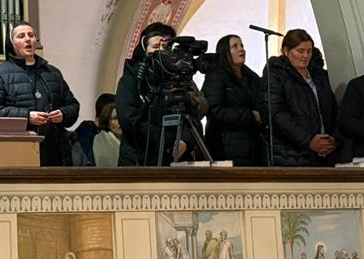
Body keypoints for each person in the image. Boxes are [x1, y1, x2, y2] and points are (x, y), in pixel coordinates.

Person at [0, 21, 80, 166]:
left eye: (31, 35)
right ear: (12, 44)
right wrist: (26, 117)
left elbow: (73, 105)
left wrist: (63, 114)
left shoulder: (53, 73)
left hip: (56, 152)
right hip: (18, 151)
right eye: (21, 36)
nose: (28, 39)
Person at [115, 22, 195, 166]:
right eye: (155, 47)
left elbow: (191, 115)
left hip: (172, 158)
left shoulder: (175, 80)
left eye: (165, 47)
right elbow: (128, 119)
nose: (160, 52)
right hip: (138, 159)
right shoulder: (131, 80)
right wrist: (165, 138)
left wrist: (184, 141)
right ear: (144, 49)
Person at [259, 29, 339, 166]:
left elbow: (333, 109)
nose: (306, 55)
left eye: (309, 51)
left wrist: (334, 140)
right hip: (290, 154)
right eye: (300, 51)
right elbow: (275, 115)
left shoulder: (318, 75)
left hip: (323, 155)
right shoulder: (275, 75)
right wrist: (309, 140)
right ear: (286, 51)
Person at [202, 34, 264, 165]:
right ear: (225, 52)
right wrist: (251, 116)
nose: (241, 49)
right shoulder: (216, 77)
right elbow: (216, 111)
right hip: (225, 147)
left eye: (242, 45)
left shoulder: (251, 78)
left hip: (252, 147)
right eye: (235, 46)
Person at [90, 93, 140, 167]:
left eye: (121, 118)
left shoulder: (134, 140)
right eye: (115, 118)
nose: (120, 122)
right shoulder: (100, 141)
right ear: (107, 121)